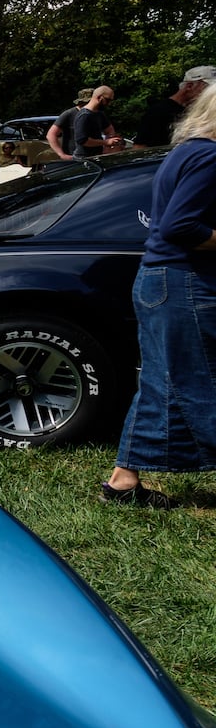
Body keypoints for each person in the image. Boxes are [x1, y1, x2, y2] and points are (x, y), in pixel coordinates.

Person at [101, 84, 216, 509]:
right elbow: (180, 227)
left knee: (162, 380)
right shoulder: (210, 157)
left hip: (161, 280)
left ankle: (123, 482)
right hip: (185, 283)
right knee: (200, 382)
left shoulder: (186, 151)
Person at [138, 66, 214, 148]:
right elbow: (139, 148)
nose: (211, 93)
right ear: (189, 86)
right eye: (208, 88)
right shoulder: (158, 112)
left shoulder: (201, 112)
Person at [68, 86, 125, 158]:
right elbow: (82, 140)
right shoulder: (84, 115)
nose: (109, 103)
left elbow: (109, 129)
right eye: (107, 100)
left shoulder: (99, 113)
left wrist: (112, 138)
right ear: (99, 97)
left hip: (96, 156)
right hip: (83, 159)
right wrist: (106, 142)